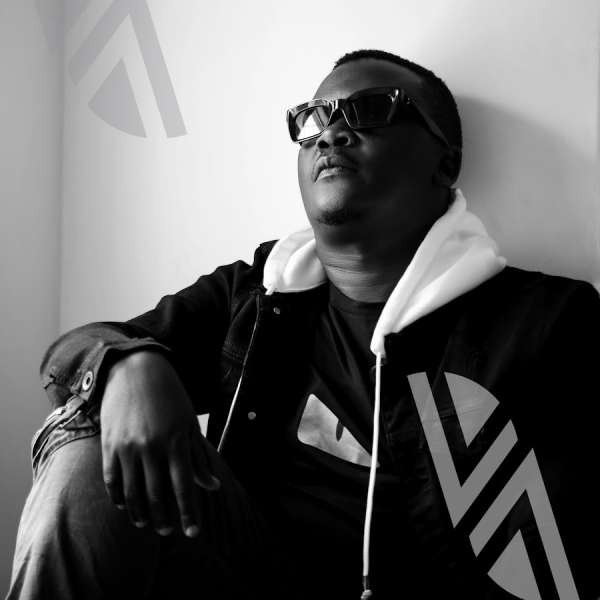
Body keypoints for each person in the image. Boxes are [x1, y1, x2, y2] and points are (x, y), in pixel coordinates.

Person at [7, 49, 600, 600]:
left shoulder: (545, 321)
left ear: (446, 162)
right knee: (92, 437)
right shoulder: (255, 296)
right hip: (243, 577)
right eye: (315, 118)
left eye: (370, 110)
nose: (332, 133)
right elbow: (76, 353)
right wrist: (131, 365)